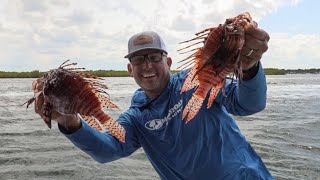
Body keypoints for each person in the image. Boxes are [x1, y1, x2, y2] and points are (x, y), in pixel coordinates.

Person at [34, 23, 273, 179]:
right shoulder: (136, 117)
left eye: (154, 57)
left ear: (168, 62)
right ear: (130, 69)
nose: (147, 65)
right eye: (138, 60)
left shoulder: (199, 79)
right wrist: (68, 118)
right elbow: (107, 150)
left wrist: (249, 67)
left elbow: (249, 104)